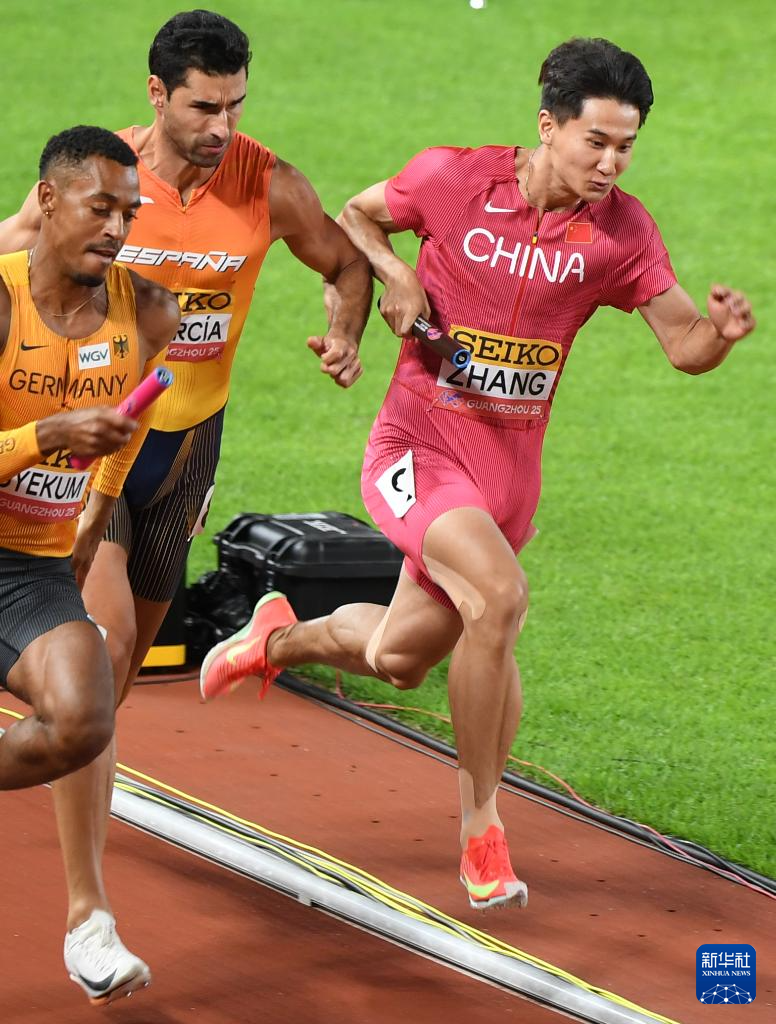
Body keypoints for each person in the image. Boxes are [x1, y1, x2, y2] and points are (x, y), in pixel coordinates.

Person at [200, 38, 756, 911]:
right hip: (417, 449)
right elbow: (357, 213)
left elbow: (683, 344)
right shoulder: (453, 179)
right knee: (498, 599)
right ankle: (481, 830)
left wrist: (719, 335)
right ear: (549, 126)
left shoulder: (622, 233)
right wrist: (397, 276)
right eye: (597, 142)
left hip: (507, 480)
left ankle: (273, 638)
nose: (611, 163)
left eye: (626, 146)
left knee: (398, 657)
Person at [0, 8, 370, 1006]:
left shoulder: (266, 183)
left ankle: (61, 749)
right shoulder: (98, 185)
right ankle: (88, 918)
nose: (223, 126)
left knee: (105, 699)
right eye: (205, 107)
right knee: (103, 644)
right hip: (79, 443)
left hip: (182, 446)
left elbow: (342, 261)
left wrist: (348, 329)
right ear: (157, 94)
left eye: (236, 105)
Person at [0, 125, 179, 999]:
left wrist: (96, 509)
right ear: (47, 200)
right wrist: (47, 435)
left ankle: (88, 924)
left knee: (84, 714)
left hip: (27, 572)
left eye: (129, 213)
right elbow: (71, 430)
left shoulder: (146, 311)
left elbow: (128, 419)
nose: (116, 227)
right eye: (100, 207)